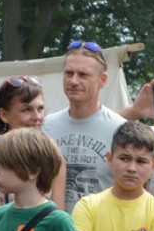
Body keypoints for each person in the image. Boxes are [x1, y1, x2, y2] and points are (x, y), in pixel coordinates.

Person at [43, 39, 126, 209]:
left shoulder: (121, 130)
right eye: (69, 73)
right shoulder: (45, 126)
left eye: (83, 75)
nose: (73, 81)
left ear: (102, 80)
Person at [0, 75, 65, 203]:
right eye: (26, 110)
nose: (37, 117)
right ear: (4, 115)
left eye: (40, 108)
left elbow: (57, 214)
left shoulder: (53, 156)